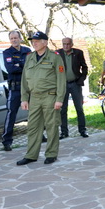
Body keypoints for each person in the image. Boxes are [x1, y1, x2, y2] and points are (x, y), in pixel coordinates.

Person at [17, 31, 66, 166]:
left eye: (37, 41)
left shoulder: (55, 57)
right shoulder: (30, 57)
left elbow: (61, 79)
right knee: (33, 127)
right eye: (33, 41)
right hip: (34, 98)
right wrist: (24, 98)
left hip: (50, 96)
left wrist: (59, 99)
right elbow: (24, 80)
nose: (34, 43)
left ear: (45, 42)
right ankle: (31, 155)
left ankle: (51, 154)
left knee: (51, 126)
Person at [1, 30, 31, 151]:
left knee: (34, 113)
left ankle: (39, 135)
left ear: (20, 39)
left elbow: (31, 67)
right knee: (11, 114)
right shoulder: (7, 52)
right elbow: (10, 69)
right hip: (15, 88)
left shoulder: (27, 51)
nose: (14, 40)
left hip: (28, 87)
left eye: (15, 38)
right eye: (11, 38)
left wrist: (19, 64)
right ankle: (6, 141)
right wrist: (22, 64)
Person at [58, 37, 89, 139]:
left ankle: (82, 130)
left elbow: (84, 67)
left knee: (79, 108)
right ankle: (64, 132)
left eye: (68, 44)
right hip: (63, 85)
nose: (66, 46)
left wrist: (81, 80)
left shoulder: (78, 53)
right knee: (63, 109)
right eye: (64, 44)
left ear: (71, 44)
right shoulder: (57, 54)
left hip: (75, 84)